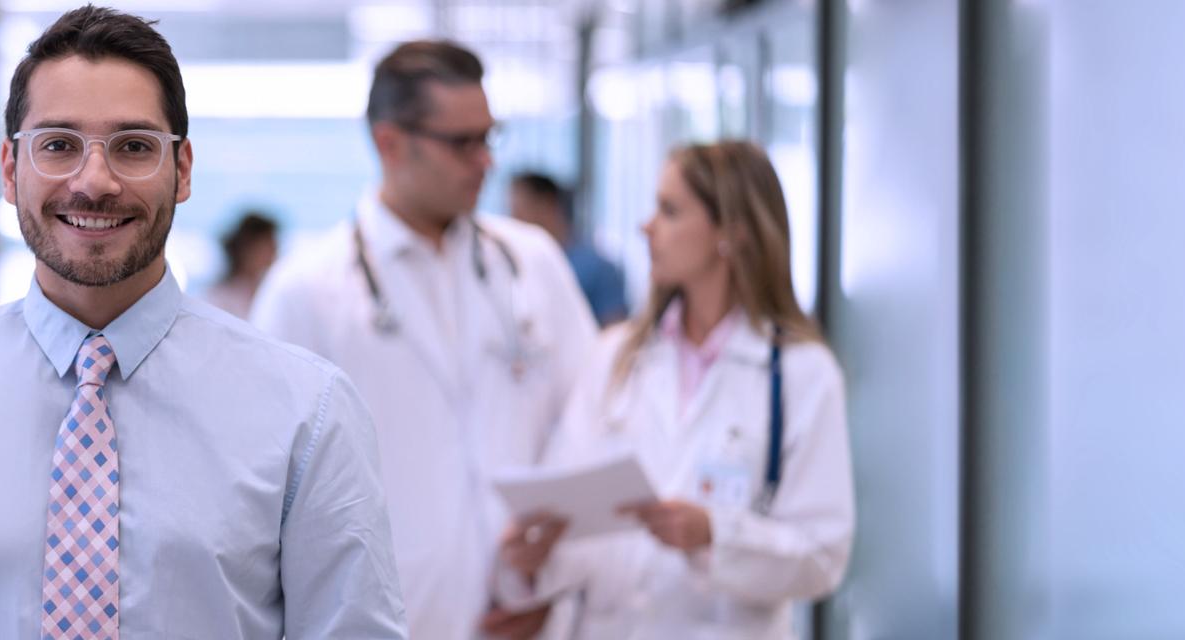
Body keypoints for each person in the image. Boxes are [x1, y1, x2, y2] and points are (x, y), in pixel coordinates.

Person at [0, 7, 405, 638]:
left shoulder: (306, 412)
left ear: (182, 169)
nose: (94, 181)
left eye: (134, 146)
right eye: (58, 145)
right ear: (9, 168)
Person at [250, 39, 599, 640]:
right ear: (391, 143)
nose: (487, 162)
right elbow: (265, 492)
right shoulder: (306, 291)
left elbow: (593, 425)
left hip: (531, 616)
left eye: (490, 137)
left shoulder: (532, 263)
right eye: (463, 142)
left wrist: (555, 577)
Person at [491, 141, 853, 639]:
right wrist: (536, 558)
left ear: (731, 232)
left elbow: (822, 556)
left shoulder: (800, 375)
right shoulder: (617, 355)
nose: (646, 226)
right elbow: (571, 505)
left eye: (670, 210)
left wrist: (714, 535)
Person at [509, 172, 629, 327]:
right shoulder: (518, 266)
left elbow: (616, 333)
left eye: (518, 211)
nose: (511, 221)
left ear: (547, 204)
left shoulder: (598, 268)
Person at [205, 211, 280, 319]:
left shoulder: (269, 291)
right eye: (269, 248)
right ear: (247, 250)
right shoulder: (219, 298)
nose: (274, 255)